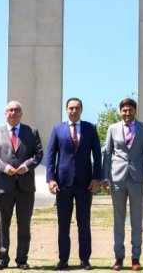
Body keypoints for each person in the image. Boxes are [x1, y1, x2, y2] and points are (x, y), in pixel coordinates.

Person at [0, 100, 44, 271]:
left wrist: (26, 166)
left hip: (25, 187)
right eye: (10, 110)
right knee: (2, 225)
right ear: (5, 113)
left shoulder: (31, 132)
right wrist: (5, 168)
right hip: (3, 186)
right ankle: (3, 258)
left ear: (21, 113)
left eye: (17, 110)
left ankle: (22, 259)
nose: (13, 113)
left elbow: (38, 154)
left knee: (24, 224)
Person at [46, 97, 103, 270]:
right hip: (63, 185)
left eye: (77, 108)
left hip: (85, 184)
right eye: (71, 108)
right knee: (63, 224)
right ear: (66, 109)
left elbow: (97, 156)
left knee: (83, 223)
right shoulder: (57, 129)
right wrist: (51, 179)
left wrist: (96, 178)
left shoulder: (90, 128)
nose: (74, 111)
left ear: (81, 110)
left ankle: (85, 259)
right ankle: (63, 259)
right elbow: (50, 156)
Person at [102, 97, 143, 272]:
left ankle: (136, 257)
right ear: (121, 112)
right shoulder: (112, 129)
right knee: (118, 219)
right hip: (117, 178)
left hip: (137, 178)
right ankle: (119, 257)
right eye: (124, 110)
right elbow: (107, 153)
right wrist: (105, 178)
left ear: (135, 111)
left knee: (136, 219)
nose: (127, 113)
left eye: (130, 110)